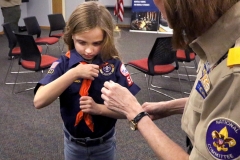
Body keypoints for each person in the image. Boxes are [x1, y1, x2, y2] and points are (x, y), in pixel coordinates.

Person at [101, 0, 240, 159]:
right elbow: (213, 97)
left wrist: (136, 114)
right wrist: (169, 107)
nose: (160, 13)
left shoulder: (234, 72)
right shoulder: (218, 40)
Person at [33, 2, 140, 160]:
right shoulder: (64, 63)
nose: (89, 50)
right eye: (82, 42)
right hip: (73, 144)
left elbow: (132, 111)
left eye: (97, 43)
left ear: (106, 38)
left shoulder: (114, 65)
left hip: (104, 144)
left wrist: (99, 109)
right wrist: (73, 73)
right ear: (72, 37)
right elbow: (38, 101)